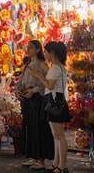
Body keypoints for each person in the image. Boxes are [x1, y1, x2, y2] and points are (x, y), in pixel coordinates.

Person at [31, 41, 72, 173]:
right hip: (56, 100)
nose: (45, 55)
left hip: (53, 101)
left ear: (52, 53)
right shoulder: (59, 67)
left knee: (58, 135)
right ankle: (56, 163)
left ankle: (61, 165)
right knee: (56, 135)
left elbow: (49, 85)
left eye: (47, 52)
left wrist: (38, 75)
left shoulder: (55, 68)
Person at [17, 40, 54, 169]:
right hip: (27, 97)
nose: (29, 49)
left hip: (37, 98)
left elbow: (48, 83)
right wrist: (19, 90)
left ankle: (41, 159)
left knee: (38, 127)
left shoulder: (42, 64)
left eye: (31, 47)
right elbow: (22, 80)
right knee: (29, 127)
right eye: (28, 47)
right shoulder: (27, 64)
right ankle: (33, 156)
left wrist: (34, 90)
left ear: (38, 50)